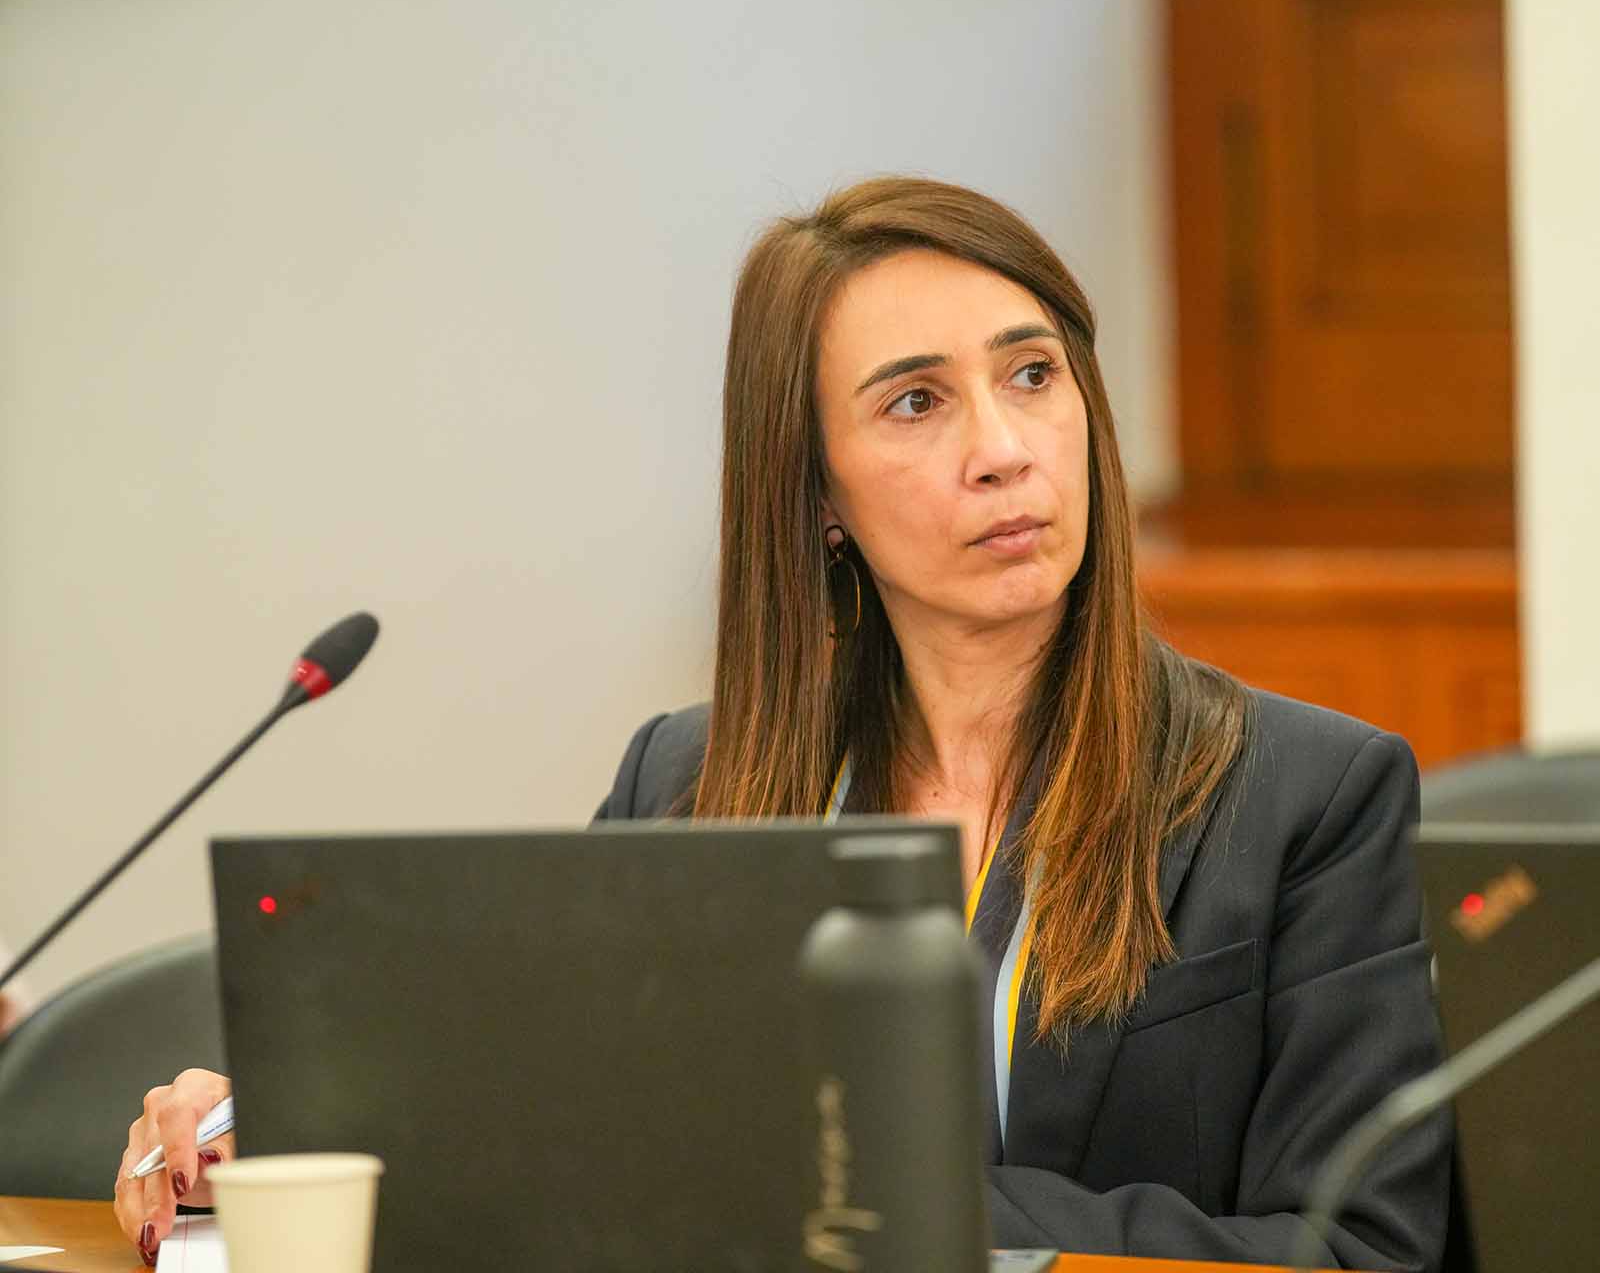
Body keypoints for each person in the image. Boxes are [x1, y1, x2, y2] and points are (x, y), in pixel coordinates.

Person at [115, 177, 1452, 1269]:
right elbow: (535, 1128)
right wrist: (265, 1129)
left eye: (1033, 374)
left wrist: (892, 1215)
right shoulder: (687, 782)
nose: (1004, 448)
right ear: (817, 495)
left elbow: (1362, 1249)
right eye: (917, 401)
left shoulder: (1308, 796)